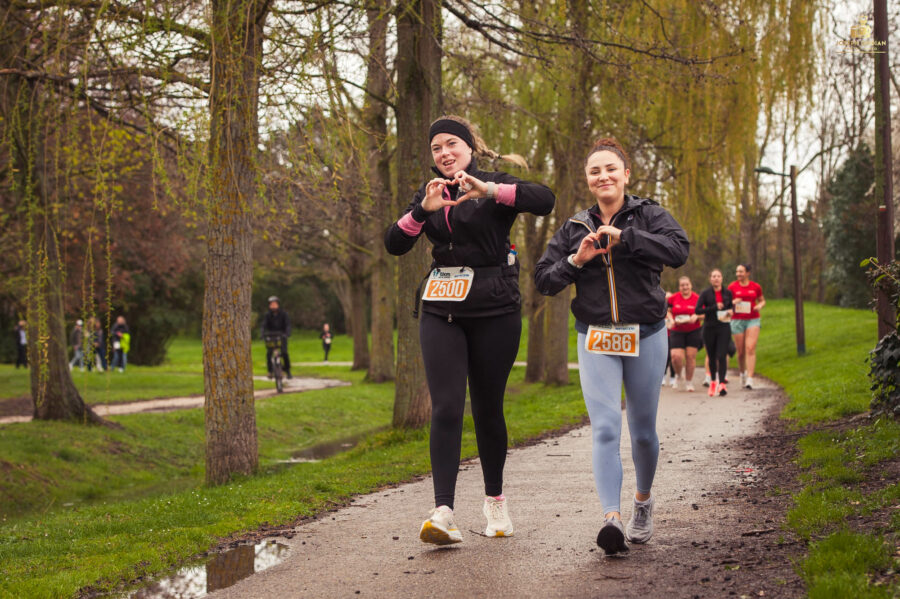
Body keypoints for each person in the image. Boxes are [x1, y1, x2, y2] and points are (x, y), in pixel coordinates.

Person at [384, 115, 555, 545]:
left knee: (486, 408)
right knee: (445, 407)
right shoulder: (430, 194)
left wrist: (490, 190)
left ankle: (495, 500)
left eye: (451, 144)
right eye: (436, 147)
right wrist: (422, 211)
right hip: (442, 308)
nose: (443, 153)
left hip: (495, 308)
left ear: (469, 148)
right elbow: (394, 242)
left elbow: (545, 199)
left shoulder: (494, 185)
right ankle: (443, 512)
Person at [534, 137, 689, 555]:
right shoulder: (573, 228)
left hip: (647, 333)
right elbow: (544, 279)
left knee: (642, 432)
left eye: (610, 169)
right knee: (605, 427)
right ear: (588, 180)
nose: (603, 176)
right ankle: (611, 519)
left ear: (626, 175)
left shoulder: (650, 215)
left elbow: (679, 250)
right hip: (596, 336)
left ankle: (641, 502)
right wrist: (576, 261)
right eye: (594, 171)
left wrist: (628, 238)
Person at [695, 269, 734, 397]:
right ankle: (713, 382)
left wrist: (731, 311)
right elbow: (698, 310)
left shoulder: (727, 292)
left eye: (718, 276)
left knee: (722, 355)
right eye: (714, 276)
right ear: (710, 279)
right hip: (709, 328)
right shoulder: (706, 293)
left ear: (722, 278)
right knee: (711, 357)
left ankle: (722, 384)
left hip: (723, 327)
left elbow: (731, 307)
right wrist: (714, 307)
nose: (716, 278)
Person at [729, 263, 765, 389]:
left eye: (741, 271)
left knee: (750, 348)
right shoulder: (732, 287)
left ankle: (750, 378)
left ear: (748, 273)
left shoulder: (755, 286)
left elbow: (762, 300)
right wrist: (734, 302)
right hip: (737, 320)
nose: (738, 274)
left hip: (753, 319)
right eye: (737, 272)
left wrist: (759, 306)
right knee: (740, 352)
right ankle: (742, 373)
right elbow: (727, 303)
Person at [667, 276, 703, 392]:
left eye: (687, 284)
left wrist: (697, 316)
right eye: (682, 285)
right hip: (677, 330)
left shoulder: (697, 298)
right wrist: (671, 319)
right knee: (675, 357)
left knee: (690, 357)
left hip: (693, 330)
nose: (685, 287)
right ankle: (678, 374)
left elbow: (705, 313)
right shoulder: (674, 298)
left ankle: (689, 382)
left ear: (691, 285)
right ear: (679, 287)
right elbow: (667, 310)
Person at [261, 296, 291, 379]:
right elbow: (263, 325)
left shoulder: (284, 314)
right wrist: (262, 334)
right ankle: (270, 371)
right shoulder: (267, 315)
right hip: (271, 336)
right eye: (271, 304)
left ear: (278, 305)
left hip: (282, 335)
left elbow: (288, 325)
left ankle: (287, 370)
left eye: (275, 304)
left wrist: (287, 333)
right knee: (269, 353)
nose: (273, 306)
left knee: (284, 352)